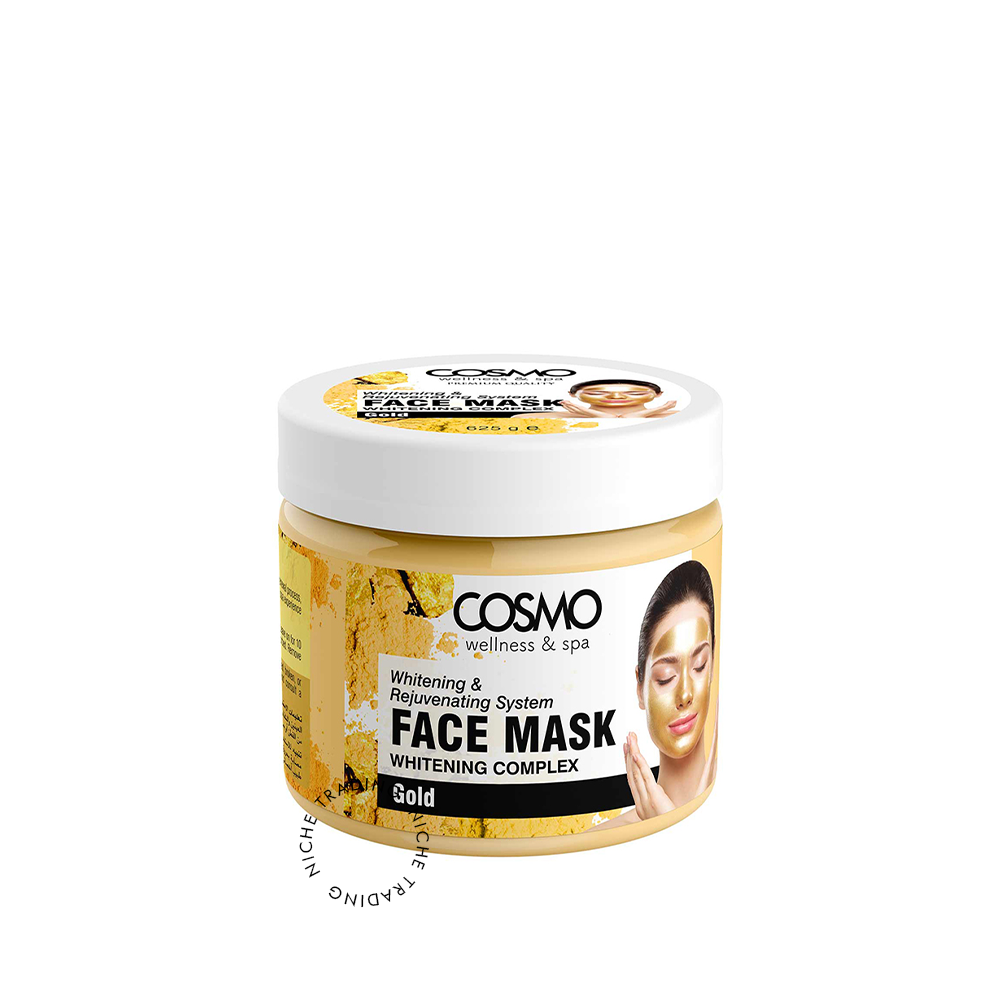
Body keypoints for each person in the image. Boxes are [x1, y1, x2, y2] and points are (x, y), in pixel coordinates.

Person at [596, 560, 717, 829]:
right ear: (640, 688)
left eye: (699, 665)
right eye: (666, 677)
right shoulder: (603, 835)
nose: (685, 695)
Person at [555, 378, 677, 418]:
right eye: (596, 393)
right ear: (572, 394)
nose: (616, 396)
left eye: (635, 393)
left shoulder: (677, 416)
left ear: (658, 394)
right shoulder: (554, 417)